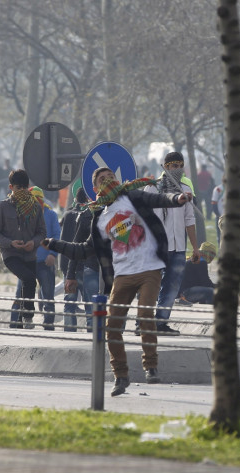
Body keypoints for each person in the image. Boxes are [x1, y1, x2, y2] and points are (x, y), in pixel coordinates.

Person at [42, 166, 193, 396]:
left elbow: (160, 198)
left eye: (111, 177)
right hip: (122, 276)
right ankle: (121, 376)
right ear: (95, 189)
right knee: (111, 327)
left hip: (150, 269)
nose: (108, 181)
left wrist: (178, 198)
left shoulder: (133, 197)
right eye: (102, 180)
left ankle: (151, 366)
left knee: (145, 316)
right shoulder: (99, 219)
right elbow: (83, 250)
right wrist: (53, 243)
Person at [144, 151, 199, 336]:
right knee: (150, 285)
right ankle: (143, 322)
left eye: (180, 166)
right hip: (156, 247)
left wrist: (195, 248)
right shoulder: (153, 188)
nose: (177, 169)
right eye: (173, 166)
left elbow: (189, 221)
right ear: (165, 167)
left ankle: (160, 322)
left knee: (173, 286)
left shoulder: (185, 189)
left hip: (178, 248)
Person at [0, 169, 46, 329]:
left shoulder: (35, 206)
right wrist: (10, 243)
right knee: (28, 279)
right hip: (11, 254)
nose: (20, 191)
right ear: (11, 187)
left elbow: (42, 232)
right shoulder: (2, 207)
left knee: (27, 284)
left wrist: (34, 242)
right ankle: (28, 316)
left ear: (28, 187)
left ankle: (20, 321)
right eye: (17, 187)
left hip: (30, 254)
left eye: (23, 187)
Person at [64, 188, 101, 332]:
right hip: (89, 267)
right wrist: (70, 274)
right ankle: (93, 349)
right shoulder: (85, 216)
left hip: (114, 269)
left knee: (117, 311)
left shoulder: (118, 212)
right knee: (91, 312)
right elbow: (76, 245)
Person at [29, 187, 60, 330]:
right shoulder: (24, 215)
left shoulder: (51, 215)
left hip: (45, 262)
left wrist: (52, 254)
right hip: (28, 262)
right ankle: (20, 321)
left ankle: (48, 323)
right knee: (23, 295)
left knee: (48, 295)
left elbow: (57, 236)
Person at [211, 177, 225, 244]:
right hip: (221, 216)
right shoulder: (218, 189)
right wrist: (218, 215)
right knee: (220, 235)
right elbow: (214, 203)